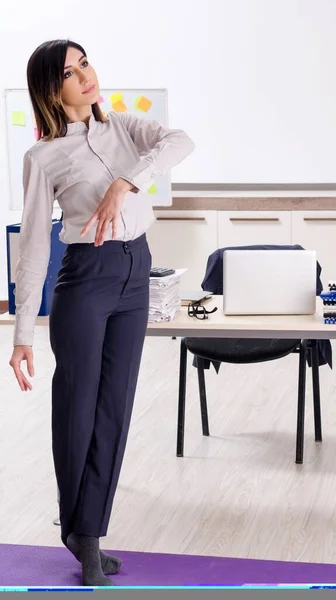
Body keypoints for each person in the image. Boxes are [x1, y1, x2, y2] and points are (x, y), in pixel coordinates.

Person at [8, 39, 195, 586]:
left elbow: (182, 141)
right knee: (78, 411)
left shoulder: (125, 129)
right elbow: (35, 245)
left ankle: (86, 530)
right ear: (52, 88)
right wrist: (22, 334)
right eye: (71, 71)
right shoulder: (43, 157)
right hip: (86, 281)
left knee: (115, 409)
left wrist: (125, 180)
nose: (86, 75)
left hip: (137, 274)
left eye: (85, 62)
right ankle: (82, 533)